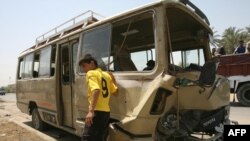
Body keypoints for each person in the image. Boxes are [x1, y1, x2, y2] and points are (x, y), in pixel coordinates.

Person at [78, 54, 118, 141]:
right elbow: (115, 92)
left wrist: (91, 111)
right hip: (106, 113)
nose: (84, 70)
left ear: (92, 63)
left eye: (84, 66)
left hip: (96, 112)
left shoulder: (90, 73)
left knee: (87, 138)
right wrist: (113, 78)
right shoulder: (106, 75)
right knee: (100, 137)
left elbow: (96, 90)